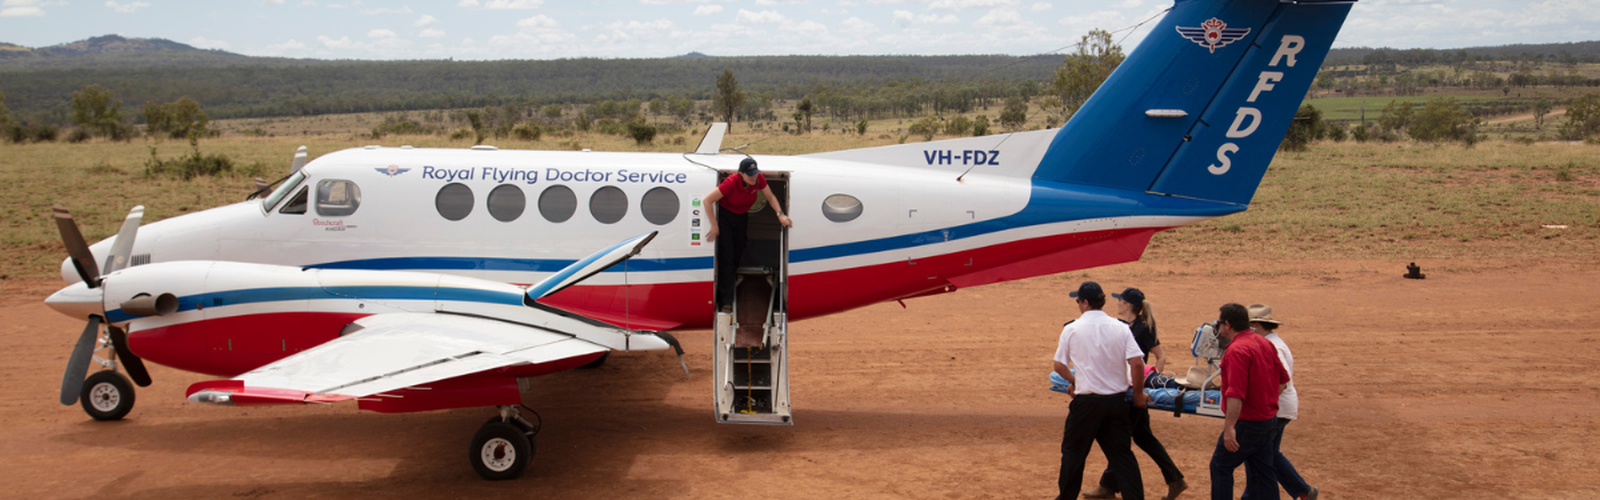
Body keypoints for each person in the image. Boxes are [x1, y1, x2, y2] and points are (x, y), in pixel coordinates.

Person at [1084, 288, 1187, 500]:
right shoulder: (1124, 326)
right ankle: (1174, 479)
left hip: (1135, 390)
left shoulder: (1142, 329)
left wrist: (1151, 380)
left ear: (1128, 305)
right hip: (1129, 387)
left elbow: (1160, 356)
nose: (1117, 304)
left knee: (1120, 440)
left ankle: (1107, 486)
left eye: (1120, 301)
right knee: (1142, 437)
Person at [1053, 282, 1147, 500]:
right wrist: (1138, 394)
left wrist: (1076, 381)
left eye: (1078, 301)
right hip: (1116, 403)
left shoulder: (1072, 329)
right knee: (1122, 457)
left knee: (1073, 455)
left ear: (1085, 303)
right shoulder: (1121, 327)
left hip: (1086, 404)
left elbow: (1059, 366)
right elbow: (1137, 363)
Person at [1208, 303, 1290, 500]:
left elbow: (1235, 393)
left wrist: (1230, 427)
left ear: (1228, 324)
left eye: (1220, 323)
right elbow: (1283, 381)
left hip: (1247, 422)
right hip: (1268, 420)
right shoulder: (1265, 343)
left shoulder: (1236, 350)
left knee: (1220, 466)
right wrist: (1264, 402)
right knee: (1263, 471)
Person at [1243, 304, 1318, 500]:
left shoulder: (1272, 346)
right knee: (1266, 454)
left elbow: (1281, 382)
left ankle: (1301, 491)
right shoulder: (1271, 342)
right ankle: (1303, 491)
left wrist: (1264, 406)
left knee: (1259, 454)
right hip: (1280, 407)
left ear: (1256, 325)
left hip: (1277, 408)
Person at [703, 157, 792, 312]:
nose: (753, 177)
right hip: (726, 217)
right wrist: (714, 224)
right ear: (741, 174)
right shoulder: (731, 182)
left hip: (741, 216)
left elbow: (770, 196)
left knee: (740, 248)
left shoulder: (758, 179)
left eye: (755, 173)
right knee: (727, 257)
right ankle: (726, 300)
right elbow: (707, 201)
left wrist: (780, 214)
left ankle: (731, 277)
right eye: (750, 175)